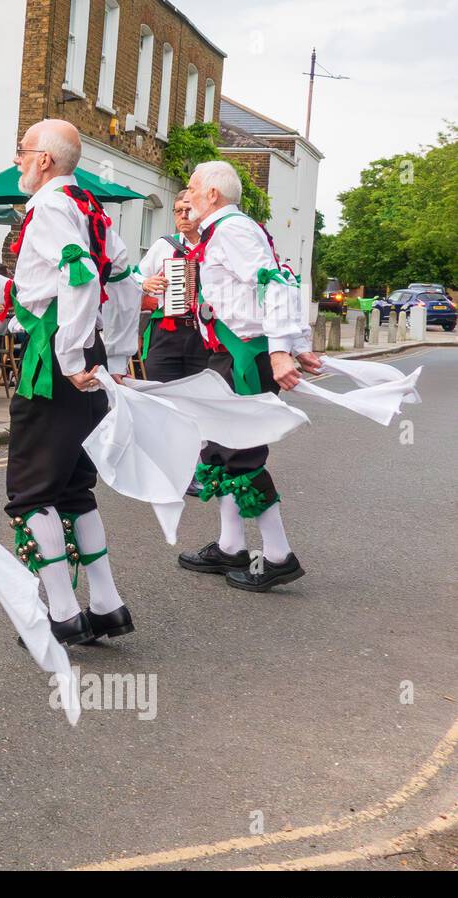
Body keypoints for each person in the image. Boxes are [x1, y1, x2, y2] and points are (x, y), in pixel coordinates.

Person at [4, 118, 133, 647]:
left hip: (56, 356)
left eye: (22, 150)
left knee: (31, 490)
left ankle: (61, 615)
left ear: (45, 161)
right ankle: (105, 606)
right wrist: (117, 354)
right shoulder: (90, 208)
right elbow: (122, 279)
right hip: (87, 352)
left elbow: (77, 274)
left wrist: (70, 354)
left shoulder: (51, 207)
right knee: (75, 485)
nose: (16, 159)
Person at [175, 160, 318, 592]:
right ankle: (231, 545)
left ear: (213, 195)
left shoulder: (233, 230)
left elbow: (276, 282)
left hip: (245, 359)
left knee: (243, 456)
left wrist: (281, 350)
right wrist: (299, 340)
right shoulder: (222, 231)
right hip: (228, 354)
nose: (189, 194)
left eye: (194, 187)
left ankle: (278, 556)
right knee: (218, 449)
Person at [134, 189, 209, 382]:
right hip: (167, 332)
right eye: (178, 211)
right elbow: (134, 276)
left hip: (204, 333)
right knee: (158, 389)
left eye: (188, 210)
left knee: (201, 393)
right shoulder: (164, 245)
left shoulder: (214, 245)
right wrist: (145, 283)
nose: (183, 215)